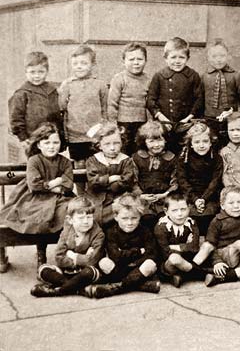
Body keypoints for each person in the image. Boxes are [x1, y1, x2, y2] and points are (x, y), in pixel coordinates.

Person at [0, 123, 73, 267]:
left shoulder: (65, 162)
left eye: (55, 142)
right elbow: (34, 185)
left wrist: (58, 186)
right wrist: (54, 183)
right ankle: (41, 254)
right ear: (39, 145)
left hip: (59, 199)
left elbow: (67, 185)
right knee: (38, 215)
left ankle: (66, 254)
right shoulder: (34, 161)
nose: (51, 146)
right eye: (47, 143)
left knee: (71, 212)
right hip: (33, 198)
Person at [87, 193, 160, 298]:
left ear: (140, 216)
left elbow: (151, 254)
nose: (129, 222)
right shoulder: (111, 232)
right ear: (116, 217)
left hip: (138, 268)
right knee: (104, 262)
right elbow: (115, 256)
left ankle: (116, 288)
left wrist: (128, 257)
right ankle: (140, 285)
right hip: (119, 269)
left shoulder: (145, 231)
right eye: (125, 218)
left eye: (134, 218)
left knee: (150, 264)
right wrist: (138, 251)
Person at [31, 197, 104, 297]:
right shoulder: (67, 231)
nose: (86, 221)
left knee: (90, 271)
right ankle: (78, 289)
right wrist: (82, 258)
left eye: (89, 217)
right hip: (65, 272)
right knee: (43, 269)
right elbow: (59, 257)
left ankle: (57, 291)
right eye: (81, 218)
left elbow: (92, 260)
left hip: (85, 273)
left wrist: (73, 256)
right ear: (70, 220)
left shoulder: (98, 234)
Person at [146, 37, 203, 154]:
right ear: (166, 58)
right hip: (164, 123)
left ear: (187, 58)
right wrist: (162, 118)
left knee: (184, 152)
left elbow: (199, 99)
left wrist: (188, 119)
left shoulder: (193, 76)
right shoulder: (159, 76)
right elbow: (151, 100)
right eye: (173, 57)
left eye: (181, 57)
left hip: (185, 123)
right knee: (164, 151)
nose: (177, 61)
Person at [58, 44, 108, 164]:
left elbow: (105, 110)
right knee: (79, 166)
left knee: (96, 166)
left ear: (93, 64)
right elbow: (62, 108)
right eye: (75, 64)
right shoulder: (67, 85)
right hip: (75, 136)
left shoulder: (100, 85)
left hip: (95, 135)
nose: (79, 67)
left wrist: (104, 130)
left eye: (83, 63)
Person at [85, 122, 138, 226]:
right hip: (96, 197)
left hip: (119, 197)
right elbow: (93, 182)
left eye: (116, 143)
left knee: (120, 213)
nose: (112, 148)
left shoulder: (126, 161)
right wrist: (112, 178)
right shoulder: (93, 160)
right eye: (107, 144)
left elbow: (127, 181)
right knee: (92, 215)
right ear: (99, 145)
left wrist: (106, 184)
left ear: (122, 143)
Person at [175, 121, 223, 234]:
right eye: (197, 142)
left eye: (205, 141)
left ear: (211, 142)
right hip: (190, 195)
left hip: (209, 196)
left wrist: (203, 199)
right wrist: (195, 199)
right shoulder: (184, 158)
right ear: (191, 143)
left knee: (211, 214)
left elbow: (215, 181)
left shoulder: (216, 158)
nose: (201, 145)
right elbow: (182, 181)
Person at [8, 51, 61, 153]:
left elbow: (58, 115)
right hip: (32, 139)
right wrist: (23, 138)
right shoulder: (22, 93)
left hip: (51, 139)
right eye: (32, 72)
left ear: (47, 71)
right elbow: (16, 119)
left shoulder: (52, 90)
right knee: (36, 164)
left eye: (41, 72)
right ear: (26, 72)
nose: (37, 76)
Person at [202, 39, 240, 145]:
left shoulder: (235, 76)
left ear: (227, 56)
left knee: (228, 144)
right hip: (209, 118)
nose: (218, 60)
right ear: (208, 57)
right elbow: (200, 99)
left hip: (231, 119)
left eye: (222, 56)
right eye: (214, 56)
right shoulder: (204, 76)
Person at [107, 42, 152, 155]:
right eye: (131, 59)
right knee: (124, 151)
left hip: (142, 123)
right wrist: (113, 125)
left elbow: (150, 103)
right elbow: (112, 104)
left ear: (145, 61)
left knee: (141, 151)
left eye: (139, 59)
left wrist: (150, 123)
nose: (136, 63)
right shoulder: (119, 79)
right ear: (124, 61)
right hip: (123, 124)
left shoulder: (148, 79)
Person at [132, 120, 178, 226]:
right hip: (143, 199)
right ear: (144, 141)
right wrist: (141, 195)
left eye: (160, 140)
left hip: (164, 198)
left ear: (166, 140)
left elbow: (175, 182)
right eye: (151, 141)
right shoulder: (137, 158)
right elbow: (133, 180)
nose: (156, 145)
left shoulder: (172, 158)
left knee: (165, 221)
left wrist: (165, 194)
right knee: (144, 219)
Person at [154, 192, 203, 287]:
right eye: (174, 210)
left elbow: (194, 248)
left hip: (188, 260)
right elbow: (165, 252)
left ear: (189, 208)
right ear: (166, 211)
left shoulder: (191, 223)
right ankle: (201, 274)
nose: (180, 214)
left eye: (183, 209)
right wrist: (185, 247)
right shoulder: (161, 227)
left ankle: (180, 276)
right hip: (168, 264)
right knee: (174, 259)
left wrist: (174, 247)